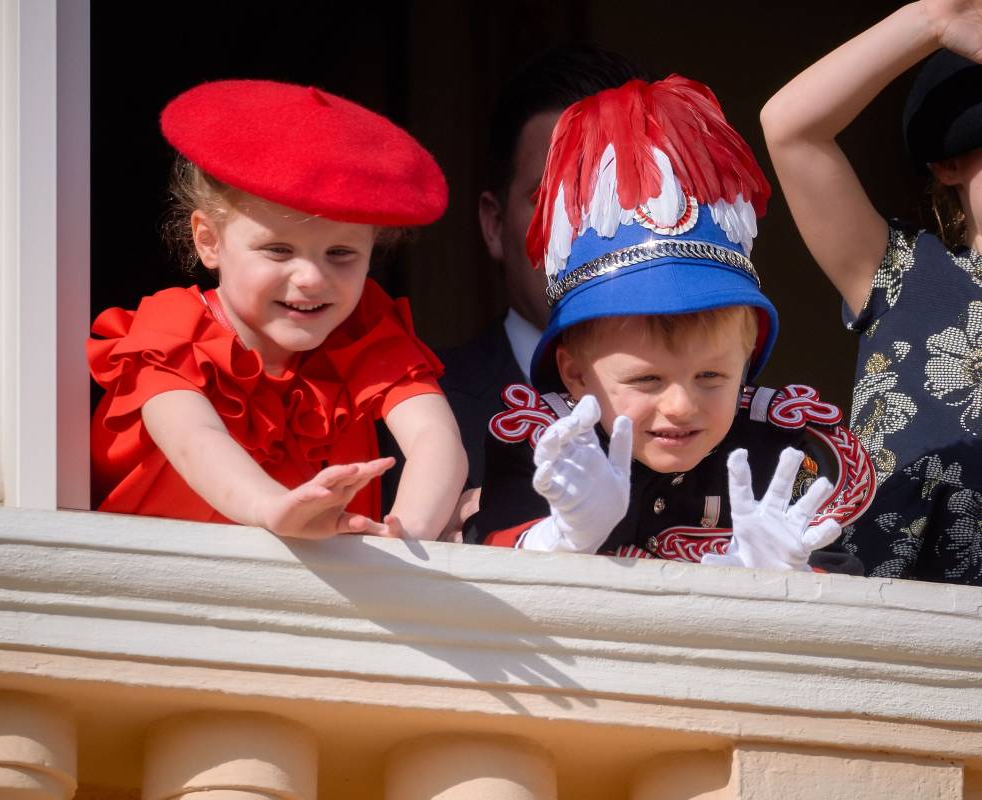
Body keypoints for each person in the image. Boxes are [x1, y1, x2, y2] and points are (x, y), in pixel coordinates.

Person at [464, 76, 874, 573]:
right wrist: (562, 536)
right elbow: (486, 581)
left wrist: (780, 582)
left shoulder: (784, 451)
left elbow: (848, 596)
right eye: (646, 379)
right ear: (573, 374)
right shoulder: (544, 451)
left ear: (746, 362)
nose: (681, 406)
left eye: (711, 376)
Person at [88, 79, 467, 541]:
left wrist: (408, 533)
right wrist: (271, 508)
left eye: (341, 253)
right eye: (279, 250)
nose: (311, 278)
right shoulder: (171, 334)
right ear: (209, 240)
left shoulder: (364, 329)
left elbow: (435, 438)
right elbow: (195, 439)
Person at [761, 1, 982, 584]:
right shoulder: (903, 272)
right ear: (950, 163)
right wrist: (934, 18)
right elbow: (791, 129)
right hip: (880, 631)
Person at [441, 46, 648, 488]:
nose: (593, 226)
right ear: (494, 225)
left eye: (617, 193)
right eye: (551, 200)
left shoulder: (732, 410)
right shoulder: (414, 411)